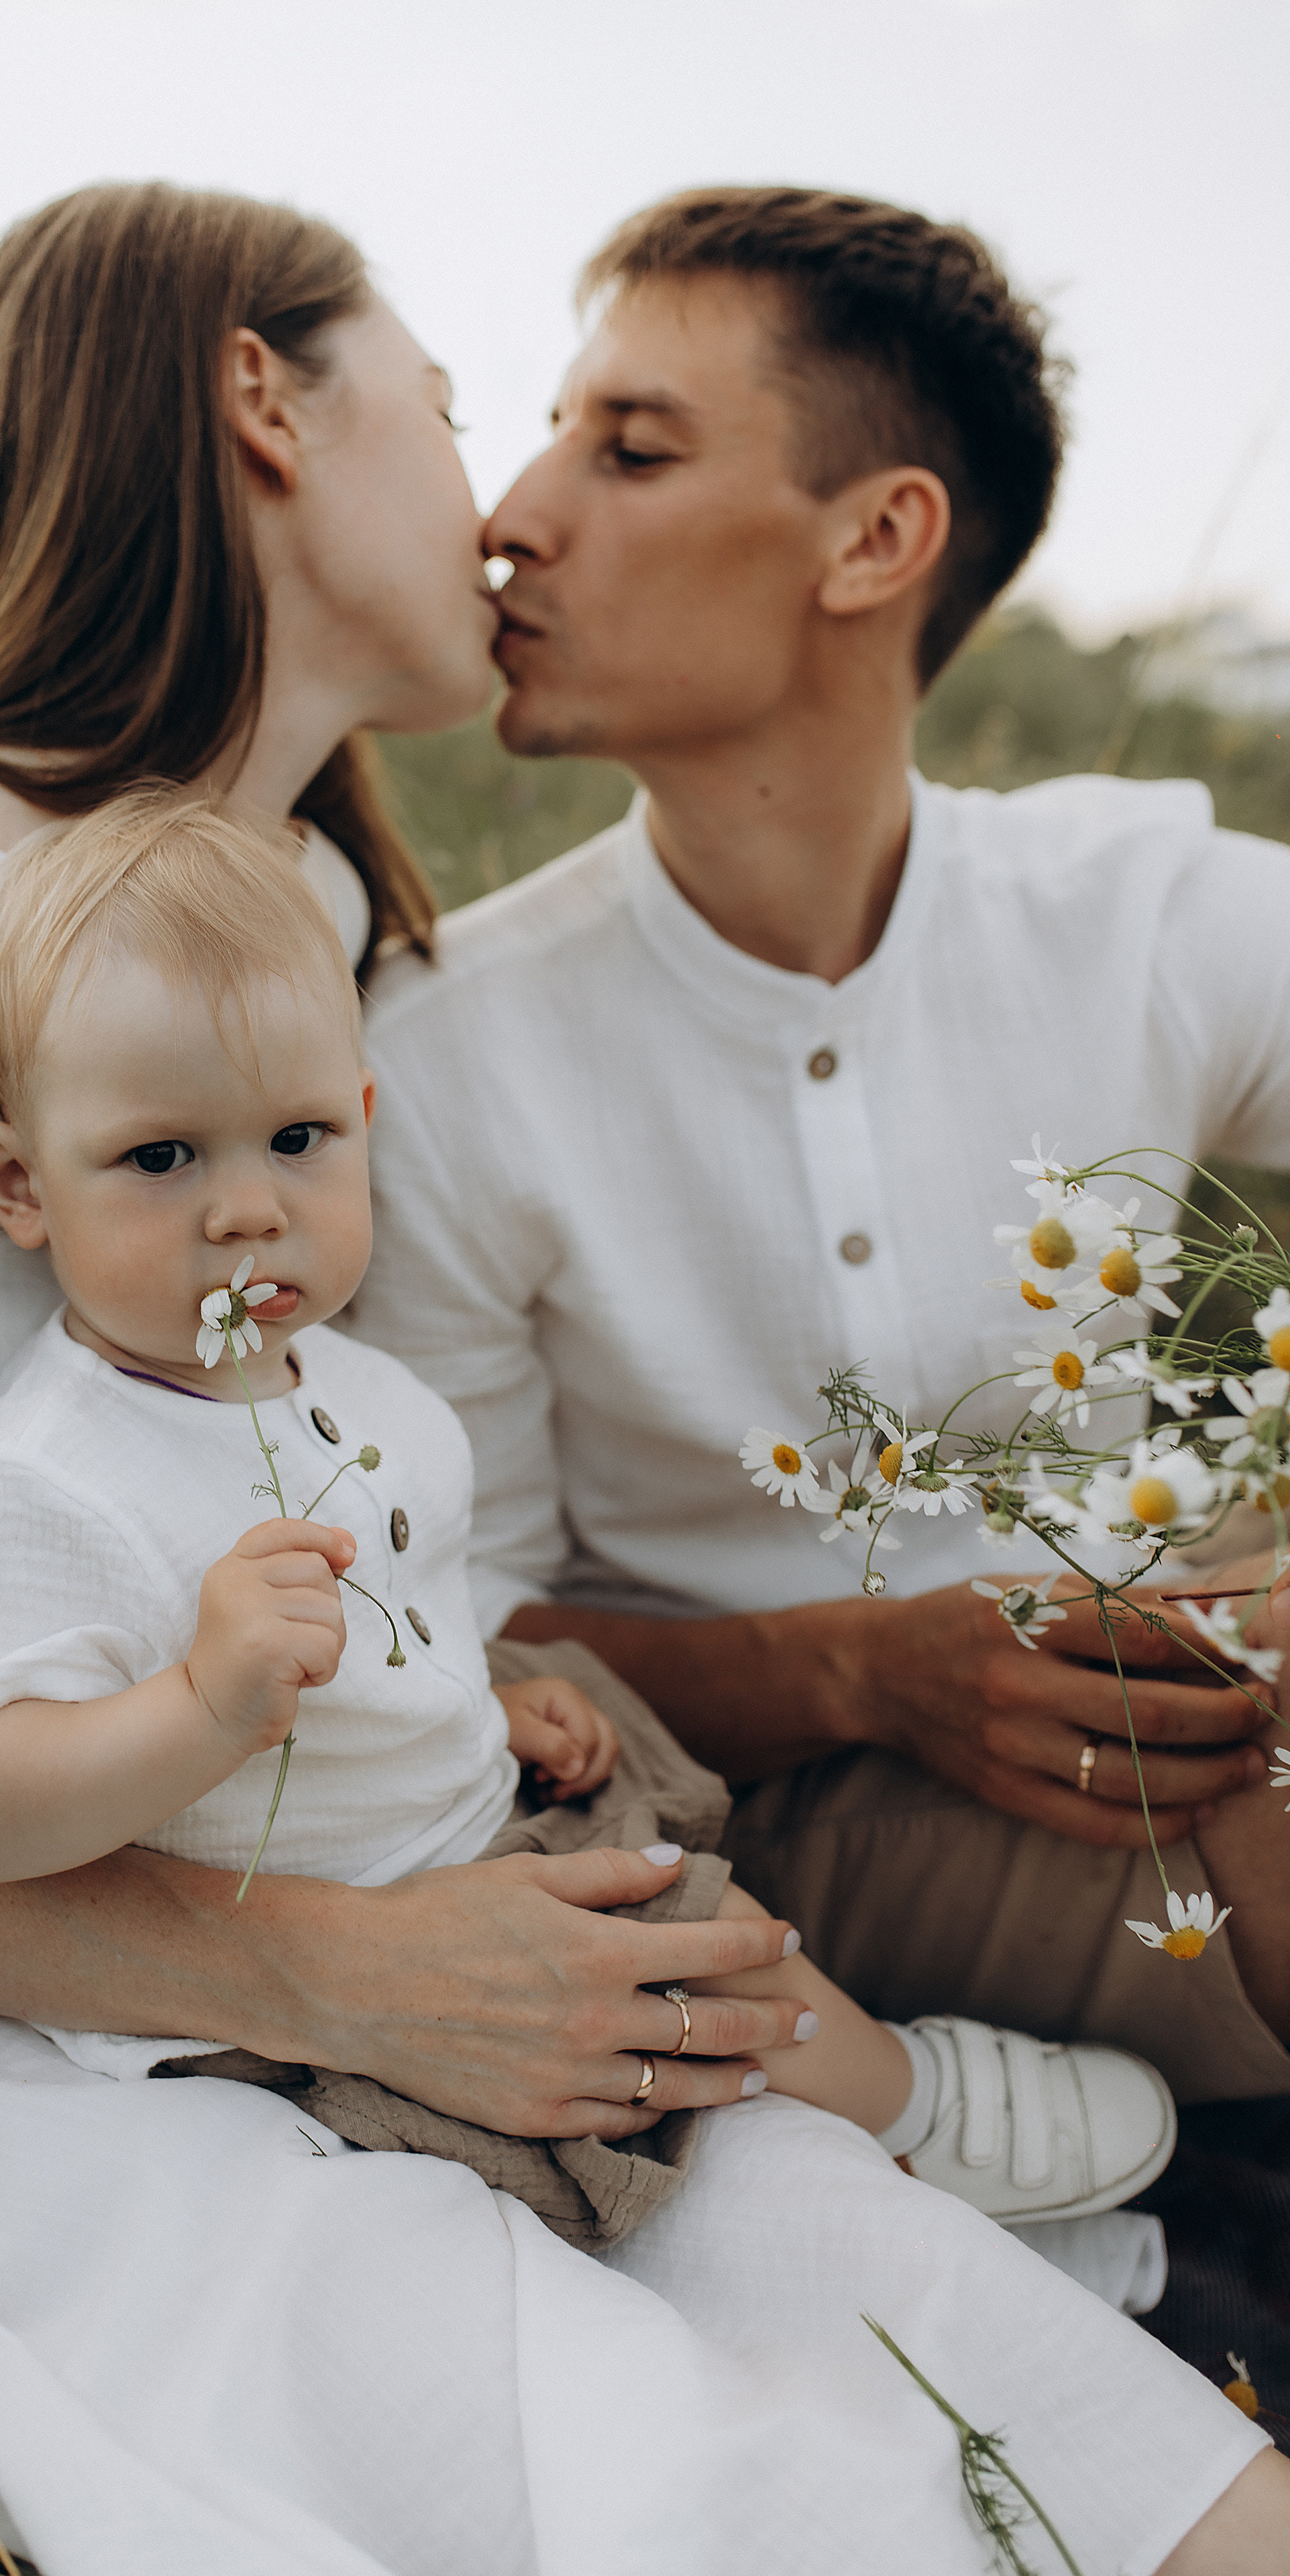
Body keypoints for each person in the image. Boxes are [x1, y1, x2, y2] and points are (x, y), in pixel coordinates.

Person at [0, 180, 1281, 2570]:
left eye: (609, 440)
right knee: (665, 2440)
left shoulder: (306, 925)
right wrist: (348, 1974)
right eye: (471, 407)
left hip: (322, 1856)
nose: (502, 501)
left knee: (1019, 2393)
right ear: (261, 405)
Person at [0, 786, 1178, 2240]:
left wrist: (482, 1699)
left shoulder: (350, 1385)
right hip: (325, 1972)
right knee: (715, 1967)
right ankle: (917, 2116)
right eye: (161, 1158)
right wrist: (197, 1705)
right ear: (17, 1185)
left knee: (698, 1927)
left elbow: (392, 1629)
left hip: (468, 1828)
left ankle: (913, 2176)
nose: (247, 1210)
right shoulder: (53, 1484)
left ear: (364, 1120)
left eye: (297, 1137)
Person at [352, 183, 1290, 2116]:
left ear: (875, 539)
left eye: (629, 449)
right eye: (552, 435)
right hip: (738, 1806)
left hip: (1152, 1694)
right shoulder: (443, 1051)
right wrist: (868, 1669)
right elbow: (451, 1624)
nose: (510, 515)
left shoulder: (1132, 907)